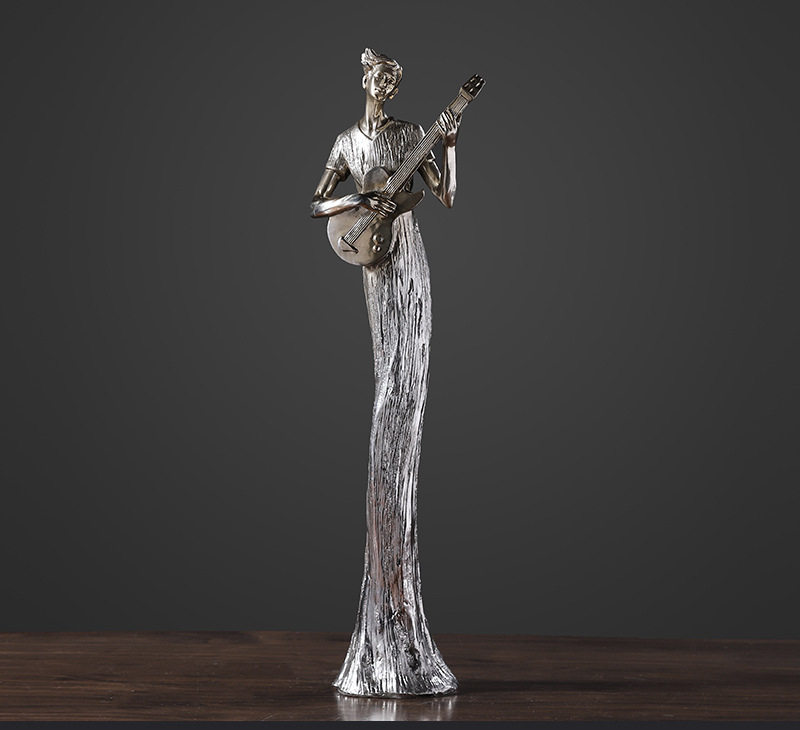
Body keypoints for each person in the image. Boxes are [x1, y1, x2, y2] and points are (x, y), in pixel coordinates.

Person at [310, 48, 460, 697]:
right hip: (373, 262)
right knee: (387, 398)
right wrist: (359, 197)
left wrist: (449, 144)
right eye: (380, 76)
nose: (387, 85)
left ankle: (403, 635)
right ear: (366, 79)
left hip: (409, 264)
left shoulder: (410, 133)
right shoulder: (346, 142)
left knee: (404, 392)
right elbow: (316, 204)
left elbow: (446, 195)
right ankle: (378, 642)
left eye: (394, 79)